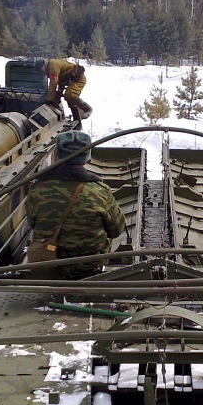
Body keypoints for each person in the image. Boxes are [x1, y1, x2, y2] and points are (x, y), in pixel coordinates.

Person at [25, 130, 125, 279]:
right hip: (89, 268)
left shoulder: (38, 188)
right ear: (87, 157)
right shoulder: (100, 191)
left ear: (57, 155)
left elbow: (33, 222)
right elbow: (116, 229)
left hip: (48, 264)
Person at [37, 58, 93, 129]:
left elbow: (53, 83)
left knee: (69, 95)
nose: (42, 72)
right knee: (70, 101)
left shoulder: (52, 65)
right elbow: (61, 82)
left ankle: (87, 108)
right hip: (71, 79)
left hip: (78, 78)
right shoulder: (52, 67)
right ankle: (78, 124)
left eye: (40, 70)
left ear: (43, 65)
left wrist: (49, 99)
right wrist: (55, 101)